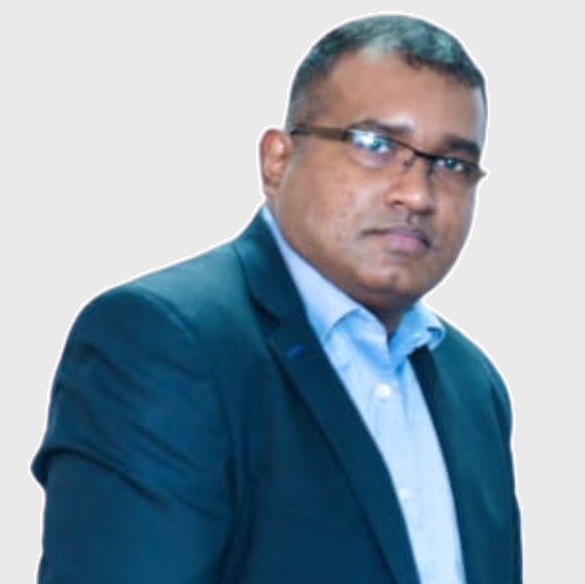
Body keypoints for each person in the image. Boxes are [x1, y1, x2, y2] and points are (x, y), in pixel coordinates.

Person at [32, 14, 522, 584]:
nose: (416, 193)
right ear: (277, 161)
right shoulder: (161, 343)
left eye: (453, 164)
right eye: (376, 145)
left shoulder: (473, 387)